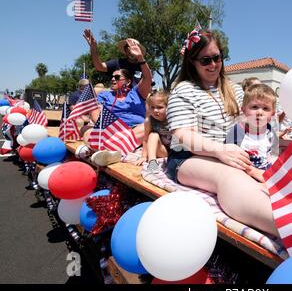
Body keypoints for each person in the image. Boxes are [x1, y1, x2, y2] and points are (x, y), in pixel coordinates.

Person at [166, 28, 279, 236]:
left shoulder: (234, 89)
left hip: (231, 152)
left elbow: (251, 121)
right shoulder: (183, 90)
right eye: (205, 60)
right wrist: (220, 151)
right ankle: (291, 228)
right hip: (187, 157)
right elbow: (183, 134)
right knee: (229, 175)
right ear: (192, 61)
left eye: (217, 57)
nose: (213, 65)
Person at [78, 39, 153, 167]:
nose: (113, 79)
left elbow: (147, 78)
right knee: (87, 129)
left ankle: (108, 151)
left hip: (133, 130)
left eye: (117, 78)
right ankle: (117, 152)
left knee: (147, 125)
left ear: (128, 82)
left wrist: (140, 57)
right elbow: (99, 66)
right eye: (112, 77)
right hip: (112, 131)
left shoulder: (136, 91)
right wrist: (94, 48)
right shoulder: (105, 94)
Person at [225, 83, 278, 183]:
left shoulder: (270, 132)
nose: (259, 112)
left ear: (272, 114)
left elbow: (273, 154)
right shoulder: (238, 131)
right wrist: (252, 171)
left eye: (265, 108)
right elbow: (230, 158)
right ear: (244, 110)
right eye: (254, 107)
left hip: (266, 172)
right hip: (244, 174)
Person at [135, 90, 172, 172]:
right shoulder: (149, 121)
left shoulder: (172, 119)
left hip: (174, 152)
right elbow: (145, 139)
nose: (155, 110)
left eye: (159, 107)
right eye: (152, 107)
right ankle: (152, 163)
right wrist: (144, 156)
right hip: (162, 151)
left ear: (168, 107)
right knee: (153, 135)